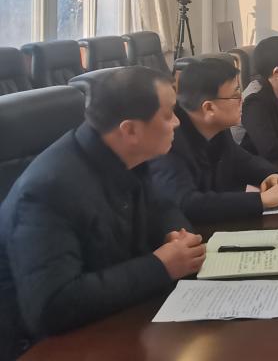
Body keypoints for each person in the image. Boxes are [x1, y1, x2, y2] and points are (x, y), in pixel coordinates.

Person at [0, 67, 205, 359]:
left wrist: (174, 233)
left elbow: (163, 206)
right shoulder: (49, 190)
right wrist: (160, 266)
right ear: (129, 130)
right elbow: (52, 307)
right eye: (168, 114)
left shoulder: (127, 156)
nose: (177, 122)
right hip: (45, 346)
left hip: (118, 317)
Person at [147, 58, 278, 225]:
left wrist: (271, 175)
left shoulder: (216, 127)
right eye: (235, 95)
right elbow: (187, 204)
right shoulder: (168, 141)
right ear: (209, 108)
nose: (242, 100)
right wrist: (261, 200)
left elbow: (243, 160)